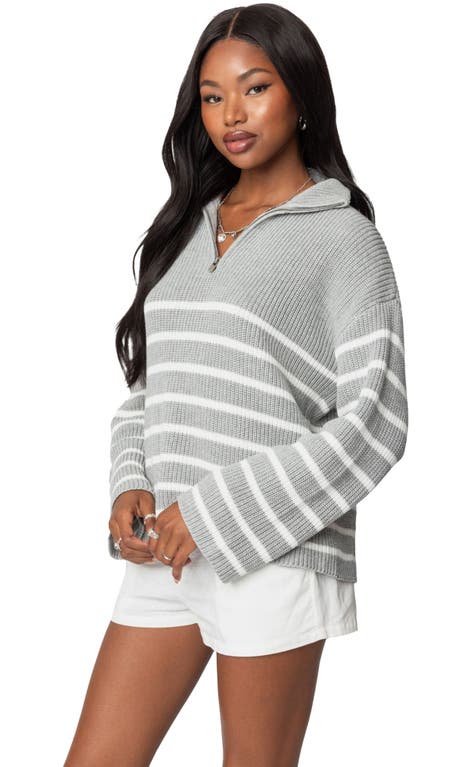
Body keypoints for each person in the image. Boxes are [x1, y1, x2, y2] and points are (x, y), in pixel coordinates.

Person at [64, 4, 408, 766]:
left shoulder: (345, 239)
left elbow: (375, 423)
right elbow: (156, 387)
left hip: (274, 549)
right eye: (213, 96)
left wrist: (216, 512)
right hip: (168, 549)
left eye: (254, 88)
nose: (231, 115)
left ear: (301, 94)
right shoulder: (189, 225)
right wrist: (131, 480)